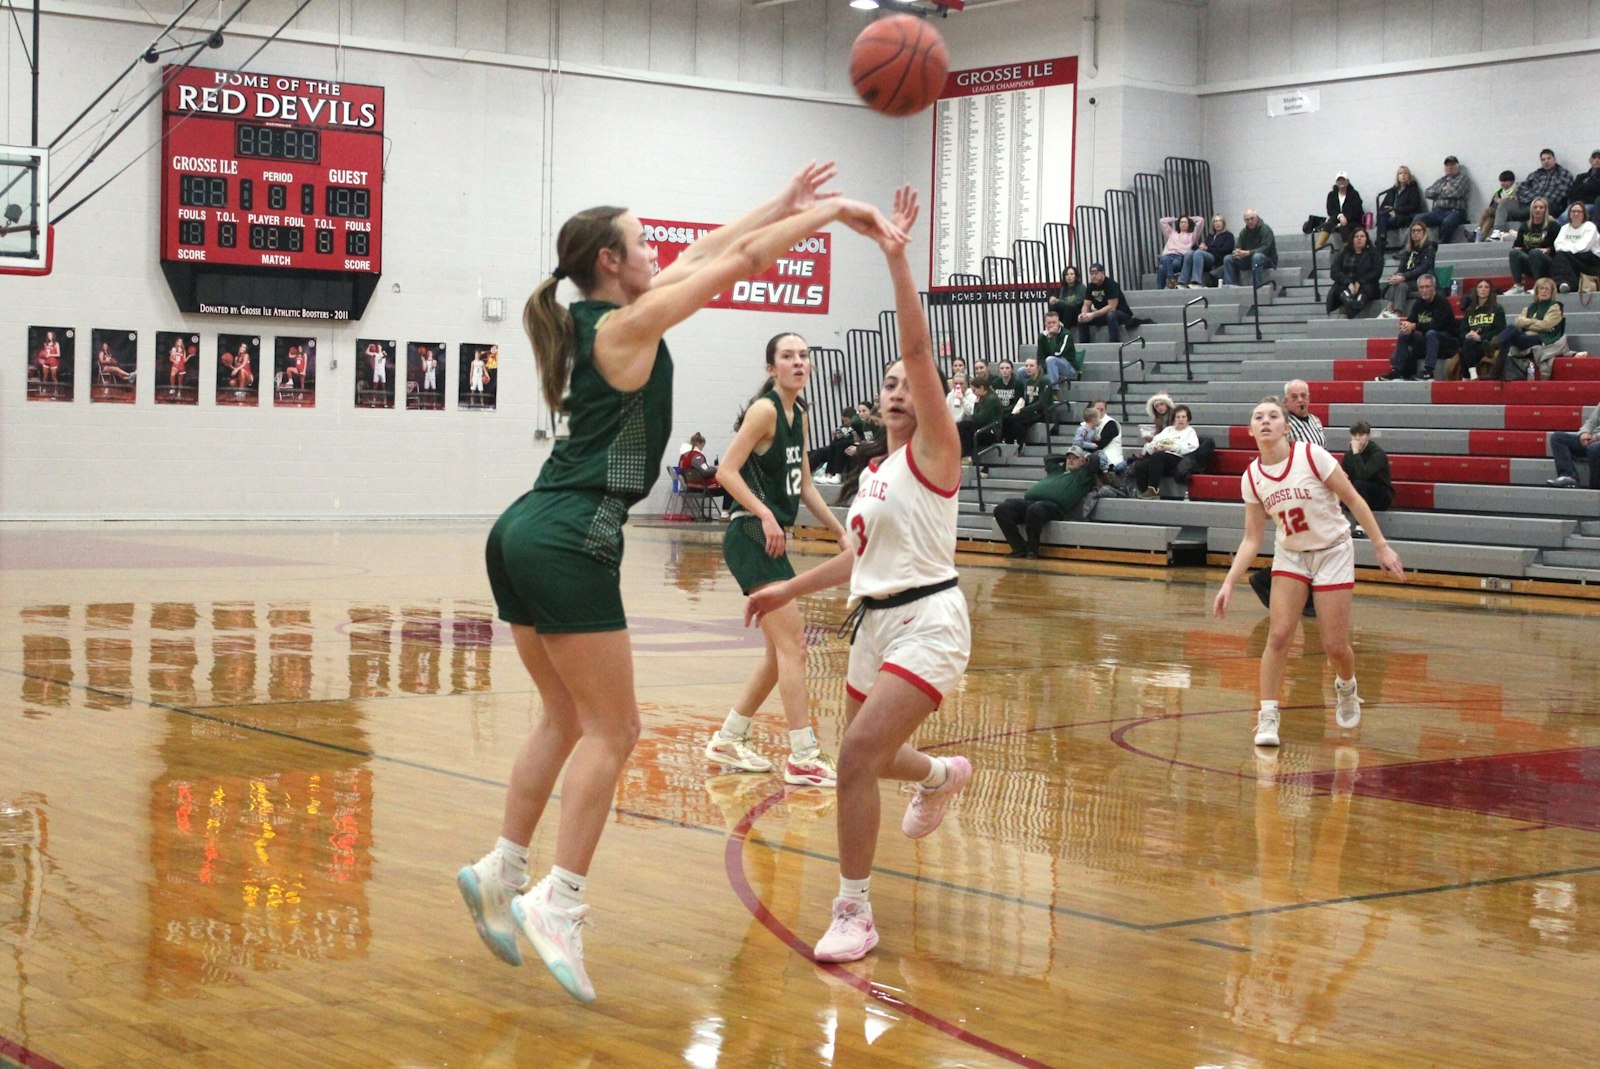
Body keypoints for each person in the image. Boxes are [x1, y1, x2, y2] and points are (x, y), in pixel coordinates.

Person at [458, 162, 897, 1002]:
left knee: (563, 715)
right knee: (614, 730)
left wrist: (784, 203)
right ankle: (561, 901)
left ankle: (502, 866)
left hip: (521, 526)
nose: (658, 249)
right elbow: (731, 267)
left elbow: (711, 248)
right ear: (612, 262)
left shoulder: (609, 316)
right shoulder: (622, 329)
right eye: (642, 240)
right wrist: (834, 212)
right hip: (568, 531)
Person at [744, 185, 973, 966]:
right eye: (888, 386)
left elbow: (917, 352)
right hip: (871, 620)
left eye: (908, 382)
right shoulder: (874, 472)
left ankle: (855, 912)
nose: (899, 388)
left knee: (850, 761)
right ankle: (943, 773)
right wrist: (787, 586)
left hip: (930, 621)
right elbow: (855, 560)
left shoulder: (936, 454)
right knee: (869, 759)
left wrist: (896, 256)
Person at [1213, 397, 1406, 749]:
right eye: (1259, 417)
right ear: (1250, 429)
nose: (1266, 421)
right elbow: (1252, 538)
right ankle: (1268, 716)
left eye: (1274, 415)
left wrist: (1380, 544)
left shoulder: (1312, 456)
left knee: (1334, 645)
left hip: (1333, 551)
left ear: (1286, 426)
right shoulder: (1252, 477)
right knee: (1279, 636)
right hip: (1291, 555)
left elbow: (1355, 500)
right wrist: (1228, 583)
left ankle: (1346, 686)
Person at [706, 331, 851, 788]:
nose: (798, 363)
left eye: (804, 356)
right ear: (771, 368)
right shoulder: (765, 409)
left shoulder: (800, 412)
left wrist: (839, 530)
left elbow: (805, 485)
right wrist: (765, 512)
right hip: (749, 534)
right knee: (794, 648)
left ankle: (730, 737)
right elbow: (725, 470)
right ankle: (804, 755)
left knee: (777, 654)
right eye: (787, 356)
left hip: (769, 538)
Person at [994, 446, 1100, 558]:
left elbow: (1095, 460)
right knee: (1002, 509)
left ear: (1083, 461)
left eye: (1075, 458)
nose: (1071, 460)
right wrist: (1064, 457)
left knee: (1035, 508)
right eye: (1069, 457)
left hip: (1054, 507)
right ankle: (1019, 547)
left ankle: (1032, 550)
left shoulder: (1082, 476)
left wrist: (1085, 456)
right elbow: (1049, 458)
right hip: (1032, 502)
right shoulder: (1057, 471)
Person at [1376, 273, 1457, 381]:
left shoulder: (1442, 302)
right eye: (1421, 287)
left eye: (1427, 287)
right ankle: (1398, 371)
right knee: (1404, 334)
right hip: (1428, 340)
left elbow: (1438, 325)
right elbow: (1411, 320)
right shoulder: (1419, 303)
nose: (1424, 290)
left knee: (1431, 333)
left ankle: (1428, 371)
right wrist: (1406, 326)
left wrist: (1415, 326)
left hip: (1446, 341)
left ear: (1434, 288)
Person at [1492, 277, 1567, 380]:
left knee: (1510, 333)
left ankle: (1494, 353)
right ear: (1536, 291)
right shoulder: (1531, 307)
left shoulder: (1555, 307)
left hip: (1542, 338)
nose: (1543, 291)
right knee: (1511, 330)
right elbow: (1518, 322)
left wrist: (1527, 323)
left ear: (1552, 291)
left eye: (1546, 289)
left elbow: (1546, 325)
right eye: (1541, 289)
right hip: (1527, 336)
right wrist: (1535, 322)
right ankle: (1496, 372)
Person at [1130, 404, 1198, 498]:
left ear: (1188, 419)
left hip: (1177, 460)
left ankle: (1153, 489)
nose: (1181, 419)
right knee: (1140, 465)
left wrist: (1170, 447)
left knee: (1158, 456)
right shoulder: (1167, 430)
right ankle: (1143, 491)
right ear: (1174, 419)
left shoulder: (1190, 432)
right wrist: (1154, 447)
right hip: (1160, 459)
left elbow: (1191, 448)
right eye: (1178, 417)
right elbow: (1152, 443)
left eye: (1183, 417)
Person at [1377, 221, 1437, 318]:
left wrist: (1404, 276)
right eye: (1413, 231)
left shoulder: (1429, 248)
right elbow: (1401, 268)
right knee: (1397, 281)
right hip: (1409, 279)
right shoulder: (1408, 250)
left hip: (1423, 279)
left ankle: (1396, 312)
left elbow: (1423, 268)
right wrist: (1395, 277)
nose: (1416, 233)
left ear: (1424, 232)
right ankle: (1389, 309)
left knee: (1401, 285)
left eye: (1418, 230)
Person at [1001, 356, 1055, 453]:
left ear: (1038, 367)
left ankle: (1021, 445)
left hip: (1041, 412)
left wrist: (1022, 410)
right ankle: (1009, 445)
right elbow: (1025, 400)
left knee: (1017, 418)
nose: (1028, 368)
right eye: (1026, 366)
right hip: (1030, 410)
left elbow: (1041, 403)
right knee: (1006, 417)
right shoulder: (1028, 382)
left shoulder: (1044, 381)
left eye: (1031, 365)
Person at [1513, 149, 1574, 234]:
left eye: (1549, 158)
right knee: (1504, 203)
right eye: (1543, 159)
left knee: (1544, 201)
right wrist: (1535, 200)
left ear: (1554, 159)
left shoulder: (1564, 174)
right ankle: (1497, 231)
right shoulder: (1535, 174)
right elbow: (1520, 189)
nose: (1546, 161)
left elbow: (1562, 194)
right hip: (1531, 204)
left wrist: (1539, 200)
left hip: (1552, 206)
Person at [1454, 280, 1506, 380]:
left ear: (1490, 291)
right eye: (1480, 287)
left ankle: (1467, 377)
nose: (1483, 289)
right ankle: (1470, 376)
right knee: (1465, 347)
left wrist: (1480, 337)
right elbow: (1462, 331)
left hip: (1487, 345)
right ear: (1476, 291)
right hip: (1471, 344)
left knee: (1465, 348)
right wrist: (1468, 334)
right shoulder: (1470, 311)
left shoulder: (1497, 309)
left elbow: (1500, 331)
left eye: (1486, 287)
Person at [1325, 228, 1381, 318]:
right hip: (1345, 285)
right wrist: (1348, 282)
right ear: (1352, 239)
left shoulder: (1373, 253)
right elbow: (1334, 271)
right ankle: (1350, 305)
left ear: (1366, 239)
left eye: (1362, 236)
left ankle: (1352, 308)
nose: (1359, 238)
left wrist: (1360, 282)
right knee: (1342, 292)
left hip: (1366, 285)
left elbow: (1376, 272)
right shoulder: (1344, 252)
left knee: (1363, 294)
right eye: (1356, 236)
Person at [1506, 198, 1559, 294]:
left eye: (1541, 207)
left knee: (1535, 252)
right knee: (1514, 253)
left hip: (1547, 262)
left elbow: (1559, 246)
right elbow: (1517, 244)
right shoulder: (1524, 226)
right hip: (1530, 260)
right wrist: (1517, 248)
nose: (1538, 210)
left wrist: (1548, 250)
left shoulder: (1553, 226)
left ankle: (1538, 286)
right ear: (1531, 210)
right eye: (1535, 207)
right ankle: (1518, 286)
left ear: (1545, 210)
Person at [1341, 420, 1393, 515]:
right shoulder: (1349, 455)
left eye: (1361, 435)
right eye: (1354, 435)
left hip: (1380, 496)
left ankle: (1360, 526)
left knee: (1360, 484)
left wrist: (1356, 453)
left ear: (1368, 436)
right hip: (1359, 493)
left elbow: (1363, 474)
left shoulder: (1378, 454)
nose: (1357, 439)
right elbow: (1344, 474)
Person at [1076, 263, 1135, 343]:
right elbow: (1086, 304)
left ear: (1103, 273)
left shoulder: (1111, 284)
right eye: (1091, 274)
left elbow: (1112, 307)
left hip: (1121, 313)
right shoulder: (1090, 286)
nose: (1093, 276)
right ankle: (1084, 345)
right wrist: (1084, 314)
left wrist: (1093, 314)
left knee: (1111, 315)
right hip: (1103, 314)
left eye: (1096, 273)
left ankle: (1114, 343)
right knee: (1082, 319)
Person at [1551, 201, 1600, 293]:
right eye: (1573, 211)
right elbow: (1558, 245)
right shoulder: (1565, 228)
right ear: (1569, 214)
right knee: (1560, 256)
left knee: (1563, 256)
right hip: (1573, 258)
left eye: (1579, 211)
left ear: (1584, 214)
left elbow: (1584, 247)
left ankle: (1568, 284)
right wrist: (1572, 248)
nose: (1576, 214)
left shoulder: (1590, 226)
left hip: (1591, 260)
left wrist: (1567, 247)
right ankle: (1564, 284)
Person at [1418, 156, 1470, 243]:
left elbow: (1456, 193)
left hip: (1455, 211)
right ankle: (1409, 248)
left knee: (1448, 222)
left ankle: (1441, 247)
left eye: (1452, 165)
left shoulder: (1463, 178)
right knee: (1418, 218)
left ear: (1458, 167)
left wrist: (1437, 194)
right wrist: (1443, 189)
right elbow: (1427, 193)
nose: (1449, 167)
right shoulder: (1440, 181)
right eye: (1447, 165)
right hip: (1437, 212)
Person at [1547, 404, 1600, 489]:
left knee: (1594, 448)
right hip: (1591, 439)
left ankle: (1595, 487)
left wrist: (1597, 437)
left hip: (1596, 442)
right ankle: (1569, 477)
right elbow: (1591, 422)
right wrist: (1584, 433)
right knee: (1557, 438)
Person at [1223, 210, 1277, 288]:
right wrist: (1237, 253)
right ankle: (1232, 286)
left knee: (1257, 257)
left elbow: (1265, 249)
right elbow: (1237, 247)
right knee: (1228, 259)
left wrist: (1248, 253)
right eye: (1247, 219)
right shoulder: (1243, 232)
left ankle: (1257, 286)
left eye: (1252, 218)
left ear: (1257, 218)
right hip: (1250, 259)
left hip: (1268, 260)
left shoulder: (1265, 229)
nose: (1250, 221)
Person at [1373, 165, 1422, 250]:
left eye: (1405, 173)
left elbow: (1413, 206)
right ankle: (1382, 239)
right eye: (1400, 173)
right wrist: (1389, 211)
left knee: (1383, 221)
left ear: (1409, 176)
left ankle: (1381, 239)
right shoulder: (1393, 190)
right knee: (1381, 216)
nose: (1403, 175)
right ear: (1397, 176)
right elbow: (1382, 207)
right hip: (1390, 216)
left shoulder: (1413, 190)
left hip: (1404, 217)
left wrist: (1395, 210)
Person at [957, 376, 1003, 462]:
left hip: (991, 432)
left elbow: (980, 418)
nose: (973, 393)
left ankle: (967, 455)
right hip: (985, 429)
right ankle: (965, 455)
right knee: (963, 427)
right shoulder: (982, 398)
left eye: (974, 390)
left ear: (981, 388)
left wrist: (976, 405)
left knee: (964, 427)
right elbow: (976, 416)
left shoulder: (990, 400)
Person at [1312, 173, 1363, 251]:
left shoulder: (1354, 194)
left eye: (1343, 180)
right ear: (1336, 182)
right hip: (1337, 220)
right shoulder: (1332, 195)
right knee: (1330, 223)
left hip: (1352, 222)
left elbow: (1357, 211)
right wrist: (1340, 216)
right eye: (1339, 180)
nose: (1341, 182)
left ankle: (1348, 250)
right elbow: (1330, 210)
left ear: (1348, 182)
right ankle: (1318, 246)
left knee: (1344, 228)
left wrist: (1345, 219)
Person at [1183, 213, 1234, 287]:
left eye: (1220, 221)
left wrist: (1208, 248)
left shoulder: (1228, 235)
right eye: (1215, 221)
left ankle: (1196, 282)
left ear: (1223, 223)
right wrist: (1199, 247)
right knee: (1190, 253)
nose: (1218, 223)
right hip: (1207, 257)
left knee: (1198, 254)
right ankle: (1182, 282)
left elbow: (1227, 249)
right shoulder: (1210, 236)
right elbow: (1204, 247)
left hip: (1218, 258)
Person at [1073, 401, 1124, 473]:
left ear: (1106, 410)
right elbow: (1077, 441)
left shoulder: (1111, 424)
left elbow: (1099, 445)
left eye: (1102, 409)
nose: (1099, 412)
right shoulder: (1084, 427)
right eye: (1097, 409)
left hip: (1110, 460)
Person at [1156, 214, 1205, 288]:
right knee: (1163, 264)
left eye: (1185, 222)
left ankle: (1163, 286)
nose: (1183, 224)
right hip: (1167, 256)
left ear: (1189, 224)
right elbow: (1162, 221)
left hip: (1179, 258)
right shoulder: (1172, 233)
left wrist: (1189, 218)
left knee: (1162, 267)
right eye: (1181, 222)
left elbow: (1201, 220)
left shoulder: (1192, 236)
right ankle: (1171, 280)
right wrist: (1176, 219)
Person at [1037, 308, 1081, 386]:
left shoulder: (1066, 334)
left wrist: (1051, 336)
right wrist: (1043, 368)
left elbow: (1057, 353)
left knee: (1050, 360)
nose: (1051, 325)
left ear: (1059, 323)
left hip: (1069, 366)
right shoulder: (1042, 336)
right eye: (1049, 323)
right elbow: (1040, 356)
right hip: (1050, 365)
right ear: (1045, 324)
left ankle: (1054, 390)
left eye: (1054, 322)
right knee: (1022, 371)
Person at [1476, 169, 1520, 241]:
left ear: (1512, 181)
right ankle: (1479, 239)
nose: (1502, 183)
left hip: (1509, 216)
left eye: (1505, 181)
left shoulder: (1517, 191)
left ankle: (1476, 231)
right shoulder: (1498, 192)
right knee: (1490, 220)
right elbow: (1492, 206)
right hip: (1497, 216)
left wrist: (1501, 202)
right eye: (1501, 181)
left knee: (1487, 210)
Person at [1560, 150, 1600, 225]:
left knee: (1566, 217)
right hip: (1575, 203)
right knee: (1563, 217)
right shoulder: (1581, 177)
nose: (1597, 160)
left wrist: (1585, 189)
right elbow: (1572, 192)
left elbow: (1596, 193)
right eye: (1594, 157)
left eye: (1599, 158)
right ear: (1590, 160)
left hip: (1591, 204)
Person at [1282, 380, 1326, 446]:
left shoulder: (1315, 420)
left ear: (1308, 398)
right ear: (1286, 401)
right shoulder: (1284, 425)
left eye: (1303, 395)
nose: (1300, 400)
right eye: (1294, 397)